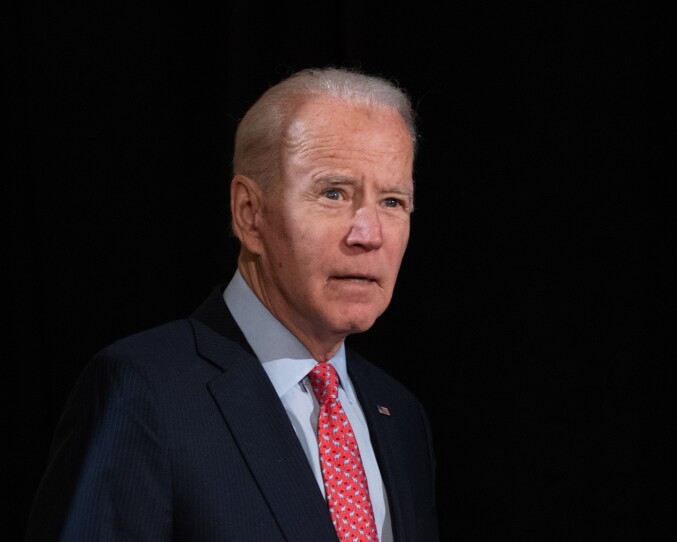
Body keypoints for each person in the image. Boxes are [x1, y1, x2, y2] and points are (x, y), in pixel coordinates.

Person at [26, 67, 440, 541]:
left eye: (392, 202)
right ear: (250, 213)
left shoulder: (400, 415)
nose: (369, 236)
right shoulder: (144, 393)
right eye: (333, 193)